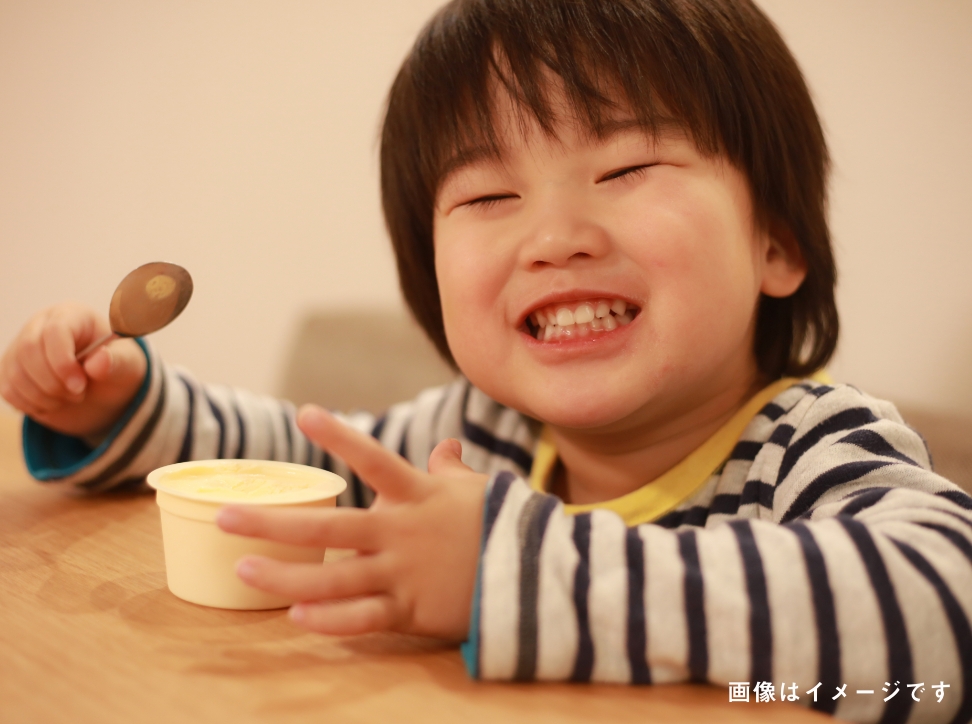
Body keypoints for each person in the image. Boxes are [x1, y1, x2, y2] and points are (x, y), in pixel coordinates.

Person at [1, 1, 970, 721]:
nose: (553, 236)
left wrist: (518, 572)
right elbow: (300, 462)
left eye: (627, 169)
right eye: (487, 198)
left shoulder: (810, 445)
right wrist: (121, 407)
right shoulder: (482, 434)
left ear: (777, 242)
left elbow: (942, 619)